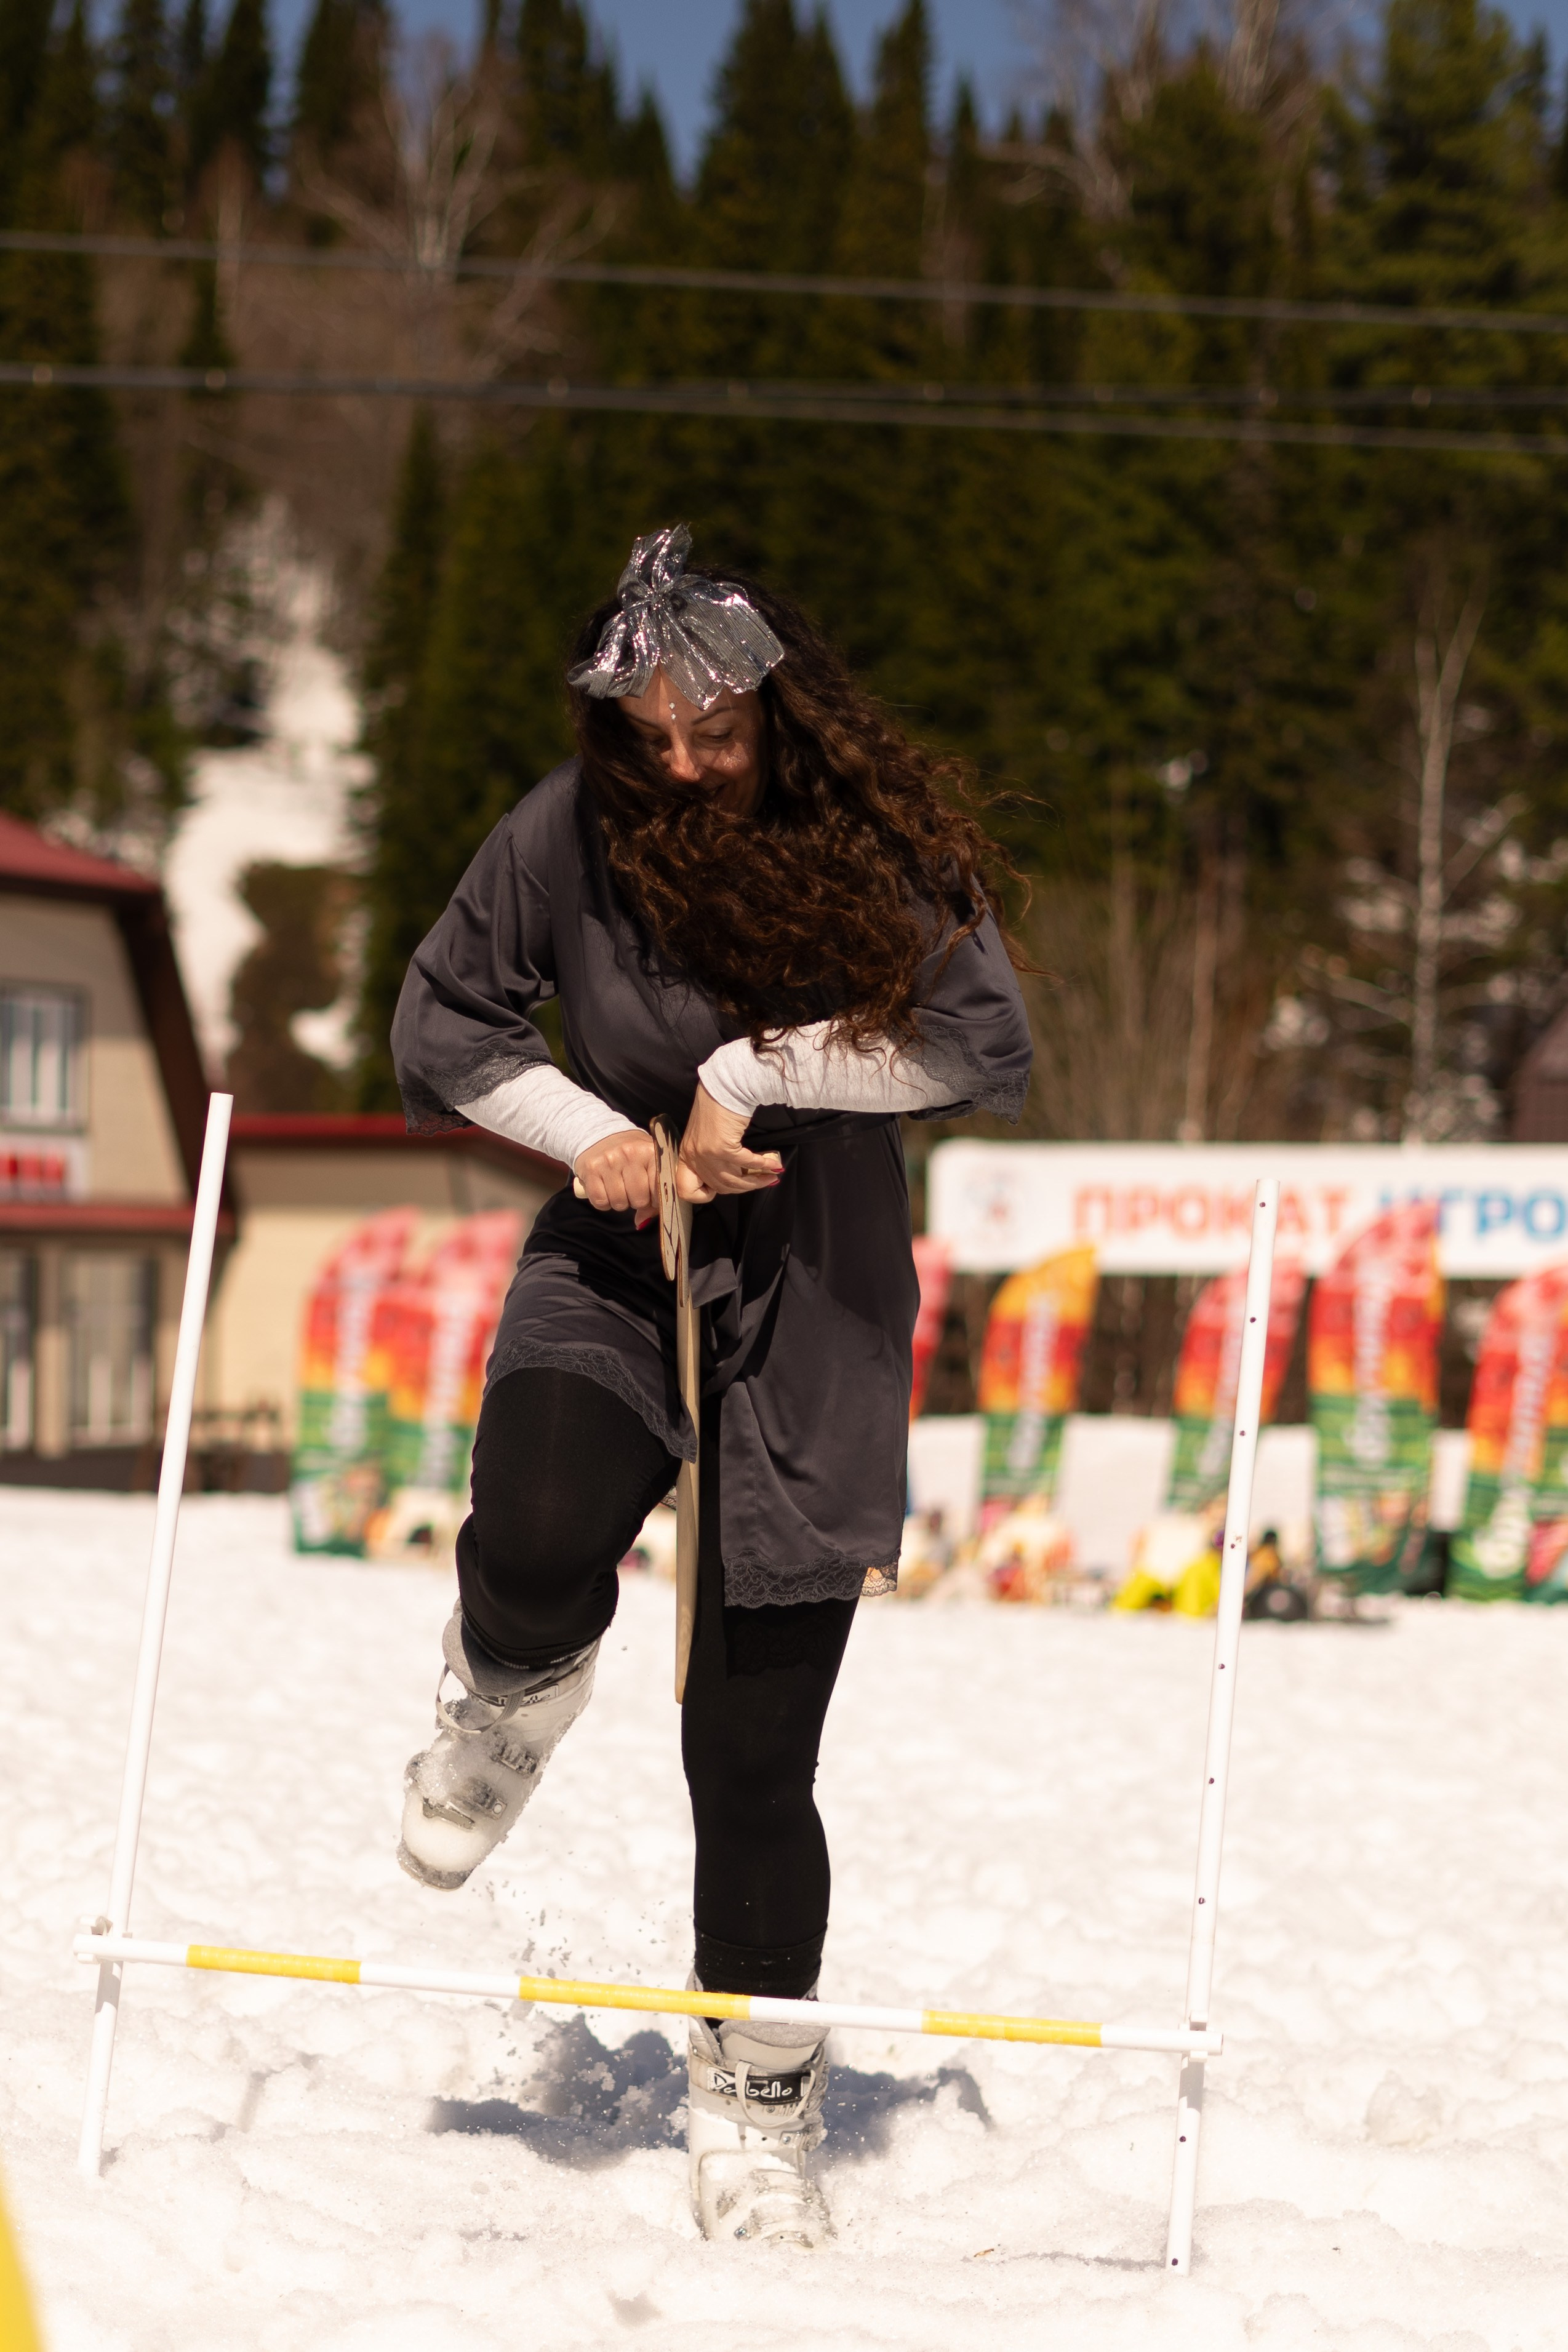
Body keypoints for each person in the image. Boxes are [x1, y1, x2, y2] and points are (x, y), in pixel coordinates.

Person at [390, 525, 1032, 2246]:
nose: (680, 765)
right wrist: (596, 1133)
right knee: (529, 1530)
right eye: (648, 736)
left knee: (748, 1752)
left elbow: (983, 1039)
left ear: (780, 707)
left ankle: (754, 2097)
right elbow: (443, 1022)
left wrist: (754, 1075)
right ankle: (503, 1701)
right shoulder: (563, 833)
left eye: (714, 735)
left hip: (809, 1283)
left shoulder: (865, 838)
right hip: (620, 1249)